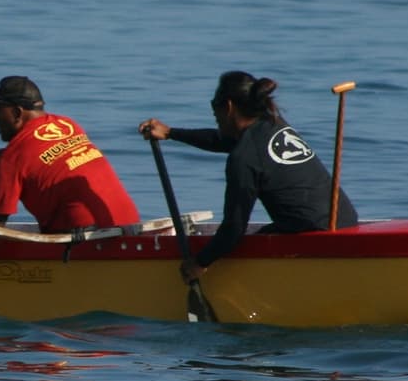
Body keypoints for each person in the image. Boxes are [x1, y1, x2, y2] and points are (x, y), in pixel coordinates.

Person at [138, 70, 357, 282]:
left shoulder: (243, 159)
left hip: (316, 238)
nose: (216, 119)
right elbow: (223, 140)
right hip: (345, 219)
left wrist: (200, 263)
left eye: (216, 113)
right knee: (259, 234)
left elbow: (234, 227)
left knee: (240, 242)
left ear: (229, 107)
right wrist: (170, 133)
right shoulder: (274, 123)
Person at [0, 75, 139, 289]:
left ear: (17, 112)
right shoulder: (66, 124)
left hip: (89, 242)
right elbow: (17, 160)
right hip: (129, 226)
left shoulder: (14, 158)